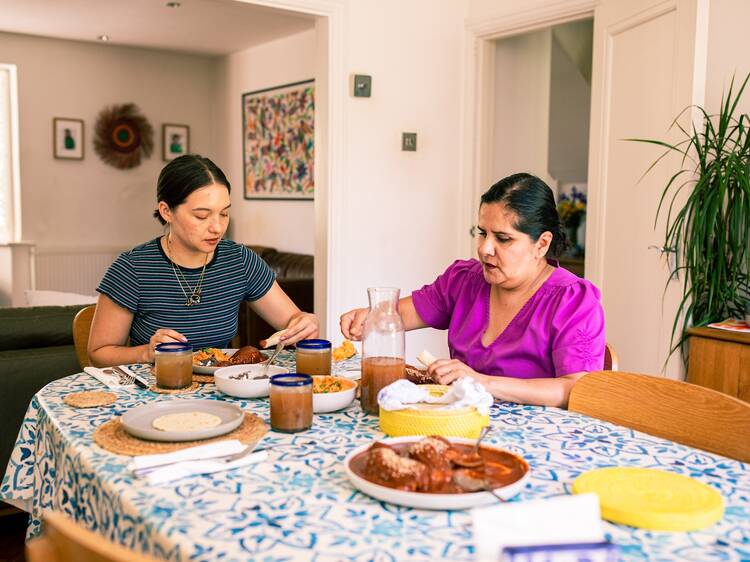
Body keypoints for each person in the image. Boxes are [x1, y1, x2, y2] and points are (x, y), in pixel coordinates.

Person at [340, 173, 605, 408]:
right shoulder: (464, 280)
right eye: (482, 233)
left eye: (503, 238)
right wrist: (372, 315)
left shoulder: (573, 300)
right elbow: (400, 315)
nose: (484, 248)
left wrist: (483, 383)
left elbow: (575, 388)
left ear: (542, 244)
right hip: (460, 425)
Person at [88, 154, 318, 367]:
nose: (217, 227)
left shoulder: (240, 260)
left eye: (224, 213)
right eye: (201, 216)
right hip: (157, 392)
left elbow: (292, 323)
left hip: (223, 389)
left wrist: (303, 324)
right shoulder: (132, 268)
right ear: (167, 211)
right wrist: (146, 353)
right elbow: (99, 352)